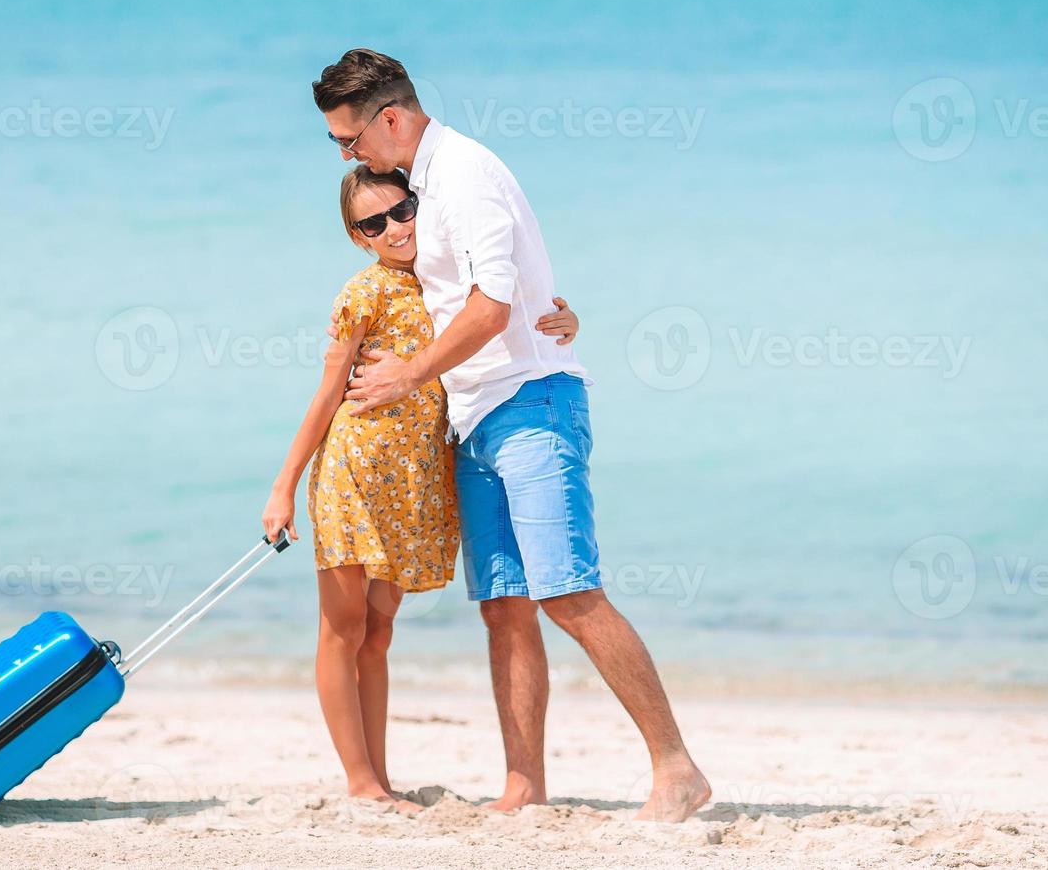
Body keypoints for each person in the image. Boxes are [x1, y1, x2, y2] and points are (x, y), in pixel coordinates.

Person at [311, 48, 711, 822]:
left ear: (389, 119)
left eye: (348, 139)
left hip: (530, 404)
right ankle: (524, 784)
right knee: (505, 605)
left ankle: (676, 765)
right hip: (473, 418)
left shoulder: (467, 175)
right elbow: (485, 288)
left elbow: (493, 306)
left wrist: (408, 374)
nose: (346, 154)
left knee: (569, 591)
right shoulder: (420, 190)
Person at [261, 164, 580, 810]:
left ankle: (377, 780)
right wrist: (283, 486)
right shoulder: (362, 295)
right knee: (343, 628)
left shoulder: (451, 284)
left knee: (379, 634)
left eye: (402, 211)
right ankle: (360, 782)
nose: (395, 229)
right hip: (353, 473)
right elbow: (327, 395)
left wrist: (569, 321)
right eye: (374, 223)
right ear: (359, 237)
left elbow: (518, 314)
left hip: (412, 485)